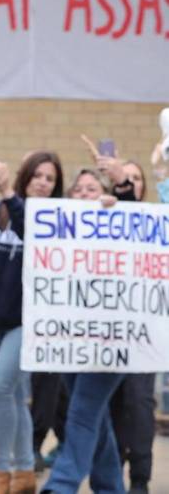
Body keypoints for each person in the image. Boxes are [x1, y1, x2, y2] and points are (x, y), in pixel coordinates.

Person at [41, 163, 134, 494]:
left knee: (81, 412)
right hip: (69, 337)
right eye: (78, 189)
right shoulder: (57, 229)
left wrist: (120, 205)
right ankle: (109, 486)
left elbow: (137, 220)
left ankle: (60, 485)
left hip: (112, 337)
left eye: (91, 189)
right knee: (96, 416)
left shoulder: (122, 221)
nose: (83, 194)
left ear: (106, 194)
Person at [0, 152, 64, 494]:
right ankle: (25, 472)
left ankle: (1, 472)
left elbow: (30, 227)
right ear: (26, 176)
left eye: (50, 179)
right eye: (38, 175)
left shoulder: (54, 218)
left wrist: (9, 194)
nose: (42, 182)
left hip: (26, 321)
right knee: (11, 397)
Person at [110, 159, 157, 494]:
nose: (132, 182)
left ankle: (140, 477)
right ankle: (112, 471)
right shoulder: (102, 219)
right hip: (108, 331)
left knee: (138, 402)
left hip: (145, 332)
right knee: (110, 404)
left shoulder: (158, 222)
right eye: (126, 178)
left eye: (136, 178)